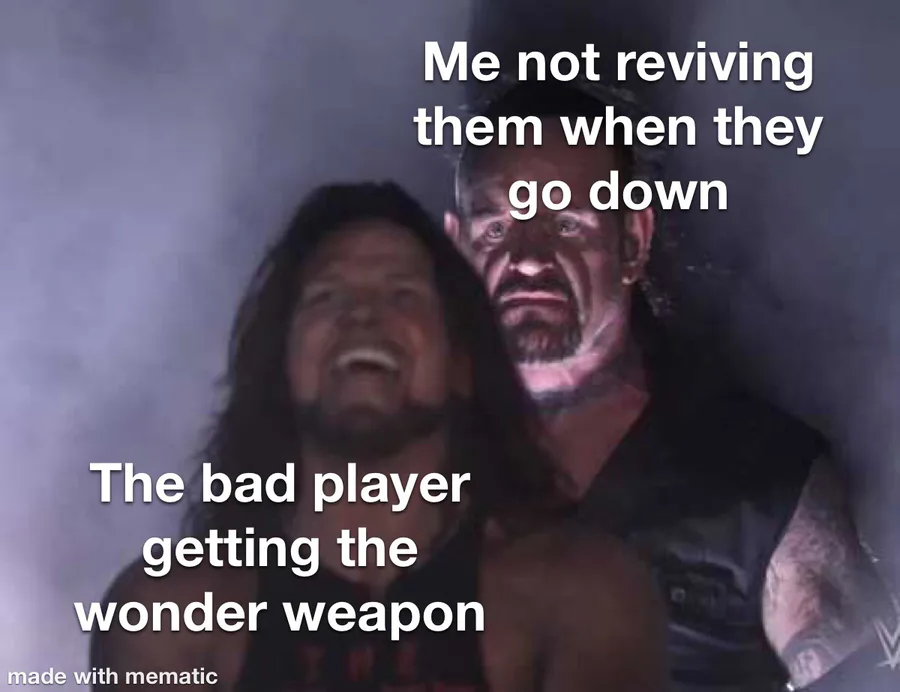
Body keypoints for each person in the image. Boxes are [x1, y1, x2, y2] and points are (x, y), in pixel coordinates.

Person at [90, 181, 666, 691]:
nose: (362, 316)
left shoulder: (581, 595)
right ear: (281, 365)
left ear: (462, 362)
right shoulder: (166, 615)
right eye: (327, 296)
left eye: (402, 294)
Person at [446, 80, 898, 691]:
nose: (528, 257)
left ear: (632, 241)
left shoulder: (761, 480)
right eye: (497, 228)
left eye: (565, 224)